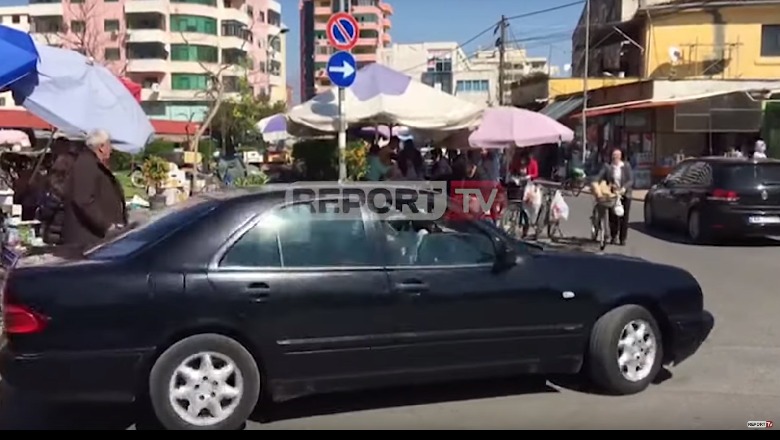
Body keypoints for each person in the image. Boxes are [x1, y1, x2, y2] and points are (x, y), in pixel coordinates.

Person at [60, 129, 128, 250]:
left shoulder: (91, 163)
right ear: (101, 147)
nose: (111, 150)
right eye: (109, 145)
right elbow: (83, 200)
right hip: (87, 240)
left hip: (93, 237)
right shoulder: (86, 164)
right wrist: (107, 226)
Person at [593, 147, 633, 246]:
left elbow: (630, 180)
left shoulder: (626, 166)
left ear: (620, 157)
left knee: (624, 217)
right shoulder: (608, 167)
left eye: (617, 156)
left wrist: (624, 188)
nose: (615, 158)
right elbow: (599, 177)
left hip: (625, 194)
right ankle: (613, 236)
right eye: (613, 156)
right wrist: (594, 183)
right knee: (613, 216)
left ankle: (622, 238)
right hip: (613, 194)